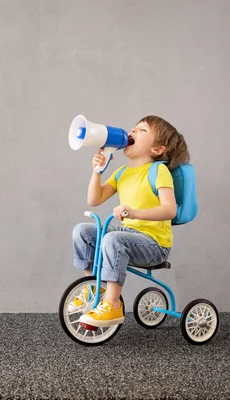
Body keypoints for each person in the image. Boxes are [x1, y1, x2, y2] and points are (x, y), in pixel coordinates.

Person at [72, 115, 190, 327]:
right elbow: (94, 199)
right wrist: (97, 172)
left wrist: (134, 213)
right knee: (82, 231)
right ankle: (93, 289)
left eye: (142, 130)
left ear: (157, 150)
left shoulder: (158, 171)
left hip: (154, 244)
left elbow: (170, 210)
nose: (132, 132)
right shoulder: (121, 173)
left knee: (113, 239)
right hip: (129, 238)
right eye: (134, 128)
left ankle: (113, 303)